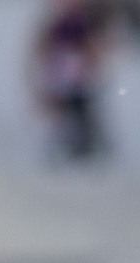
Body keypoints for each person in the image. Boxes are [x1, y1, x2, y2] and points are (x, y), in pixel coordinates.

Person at [33, 0, 110, 162]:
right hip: (65, 79)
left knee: (82, 113)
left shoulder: (83, 25)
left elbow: (92, 49)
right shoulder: (58, 26)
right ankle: (71, 147)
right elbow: (46, 49)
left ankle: (88, 146)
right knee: (67, 115)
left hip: (79, 80)